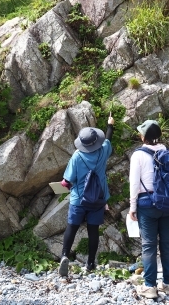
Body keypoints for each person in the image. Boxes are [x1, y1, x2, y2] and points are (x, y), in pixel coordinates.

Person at [58, 115, 114, 276]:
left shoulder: (77, 156)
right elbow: (108, 140)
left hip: (78, 199)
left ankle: (64, 256)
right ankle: (90, 264)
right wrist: (110, 126)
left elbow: (67, 182)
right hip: (97, 199)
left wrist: (60, 188)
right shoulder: (103, 151)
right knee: (93, 231)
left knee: (72, 227)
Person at [129, 120, 169, 299]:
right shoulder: (167, 152)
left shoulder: (138, 155)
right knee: (168, 244)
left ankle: (150, 287)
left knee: (149, 245)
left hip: (147, 203)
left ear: (143, 137)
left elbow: (134, 184)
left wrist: (132, 207)